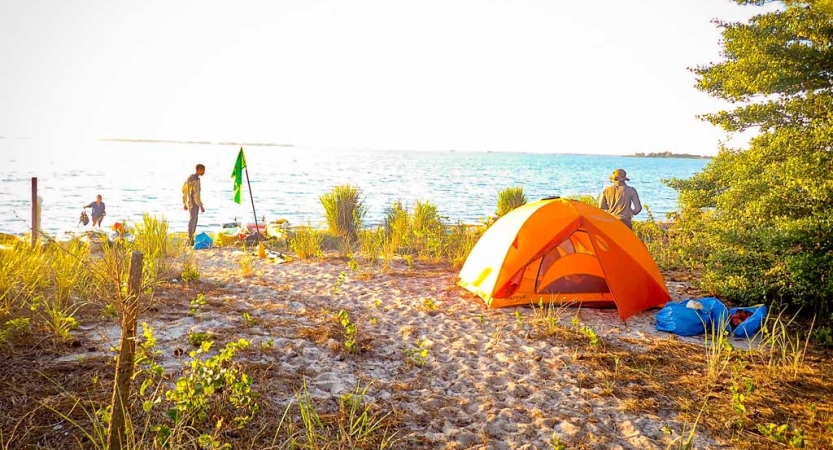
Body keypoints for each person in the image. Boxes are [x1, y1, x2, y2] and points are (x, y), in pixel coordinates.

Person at [183, 164, 206, 245]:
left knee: (192, 219)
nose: (204, 172)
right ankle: (190, 238)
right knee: (194, 219)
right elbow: (196, 195)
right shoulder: (196, 180)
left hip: (189, 202)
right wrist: (201, 206)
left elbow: (184, 190)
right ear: (199, 170)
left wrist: (185, 202)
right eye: (203, 170)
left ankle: (190, 238)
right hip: (194, 203)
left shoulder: (189, 178)